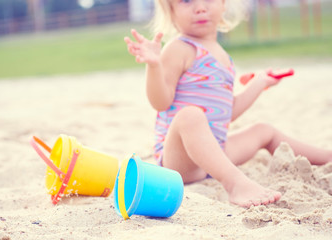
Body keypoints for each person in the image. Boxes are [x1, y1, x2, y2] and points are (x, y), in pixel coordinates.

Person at [124, 0, 332, 208]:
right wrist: (154, 66)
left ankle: (326, 158)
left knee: (263, 130)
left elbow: (226, 113)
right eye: (186, 1)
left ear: (223, 4)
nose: (200, 7)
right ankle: (235, 184)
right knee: (191, 116)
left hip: (216, 151)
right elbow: (161, 102)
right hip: (179, 160)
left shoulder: (223, 57)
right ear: (170, 10)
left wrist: (259, 83)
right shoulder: (180, 48)